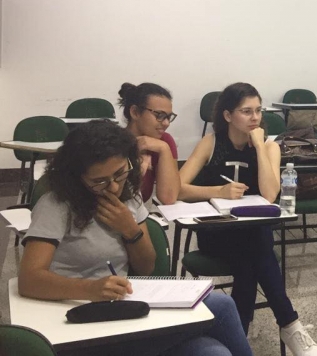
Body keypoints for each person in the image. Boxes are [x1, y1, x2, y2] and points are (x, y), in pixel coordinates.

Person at [18, 120, 252, 356]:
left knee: (214, 351)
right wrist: (90, 289)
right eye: (99, 181)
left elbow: (146, 267)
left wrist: (130, 230)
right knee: (221, 309)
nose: (113, 187)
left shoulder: (129, 198)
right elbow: (29, 280)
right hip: (77, 318)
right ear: (77, 177)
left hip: (124, 309)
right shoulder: (56, 206)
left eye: (120, 173)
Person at [179, 82, 317, 356]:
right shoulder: (211, 143)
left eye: (258, 110)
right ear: (227, 115)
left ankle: (241, 340)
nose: (255, 117)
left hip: (253, 231)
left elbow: (269, 194)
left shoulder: (269, 146)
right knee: (258, 252)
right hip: (217, 232)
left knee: (249, 261)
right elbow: (176, 188)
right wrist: (217, 191)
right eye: (246, 111)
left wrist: (258, 146)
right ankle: (290, 325)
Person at [118, 82, 181, 204]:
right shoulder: (114, 144)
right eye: (159, 115)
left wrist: (164, 149)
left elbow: (169, 198)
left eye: (169, 117)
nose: (166, 123)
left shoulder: (164, 141)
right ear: (135, 112)